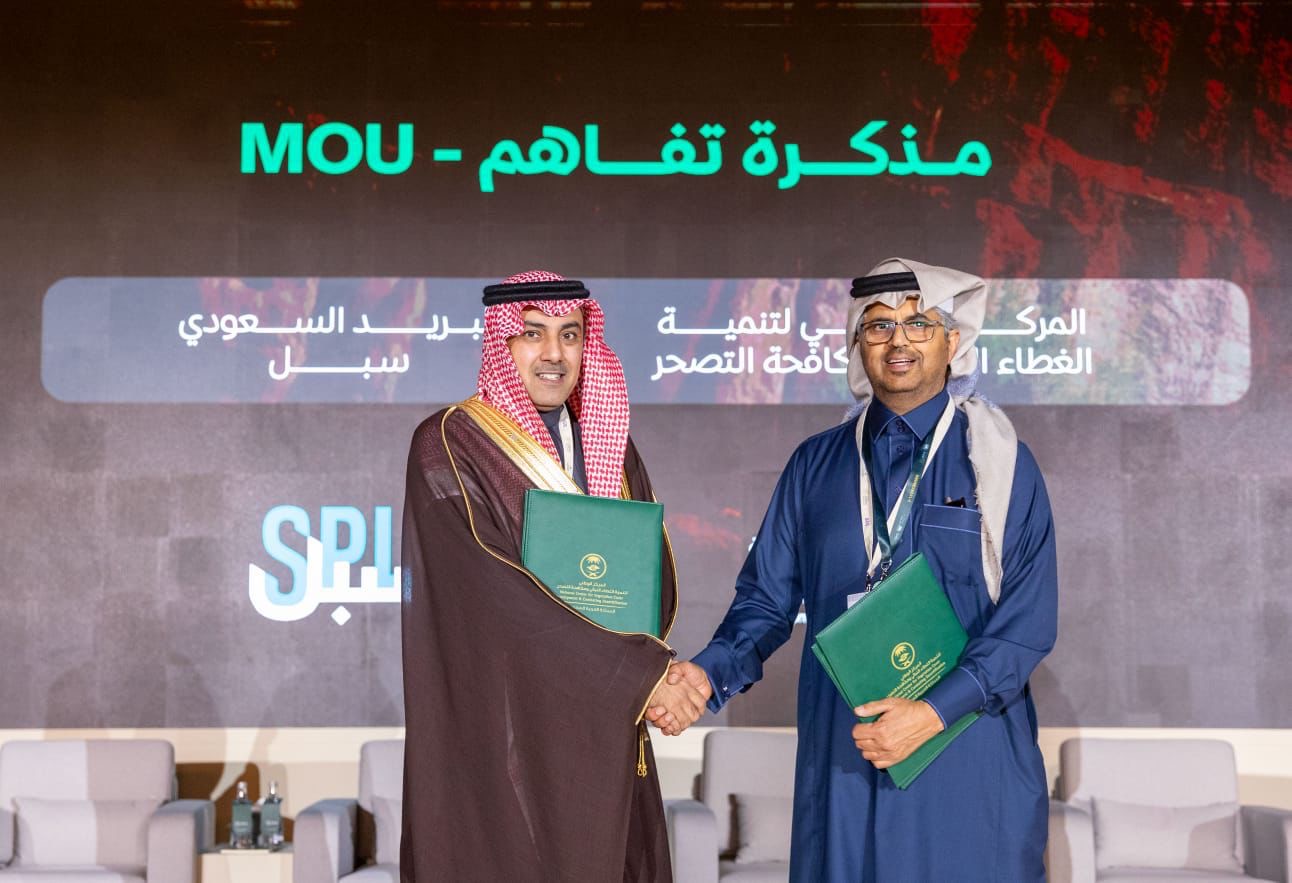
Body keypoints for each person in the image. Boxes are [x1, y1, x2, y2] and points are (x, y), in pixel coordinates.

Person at [657, 258, 1058, 881]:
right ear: (856, 343)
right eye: (878, 326)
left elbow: (1025, 625)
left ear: (952, 341)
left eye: (919, 324)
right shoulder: (814, 465)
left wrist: (932, 713)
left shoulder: (1001, 465)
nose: (899, 341)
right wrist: (708, 675)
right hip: (847, 753)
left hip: (965, 753)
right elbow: (766, 601)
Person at [400, 270, 705, 882]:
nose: (554, 354)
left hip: (604, 725)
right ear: (502, 344)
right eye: (533, 334)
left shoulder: (611, 446)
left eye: (569, 335)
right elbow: (489, 594)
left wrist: (654, 674)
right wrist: (641, 675)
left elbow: (641, 574)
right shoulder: (451, 441)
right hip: (506, 732)